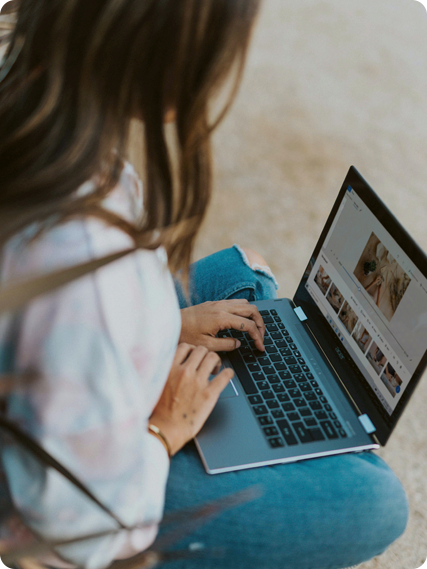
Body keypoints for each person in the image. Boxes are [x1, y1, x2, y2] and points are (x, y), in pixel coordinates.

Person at [0, 1, 408, 568]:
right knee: (376, 501)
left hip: (99, 365)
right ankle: (300, 444)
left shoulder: (27, 92)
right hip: (103, 492)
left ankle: (289, 428)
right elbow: (78, 528)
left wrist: (170, 329)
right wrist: (164, 428)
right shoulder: (85, 271)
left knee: (246, 268)